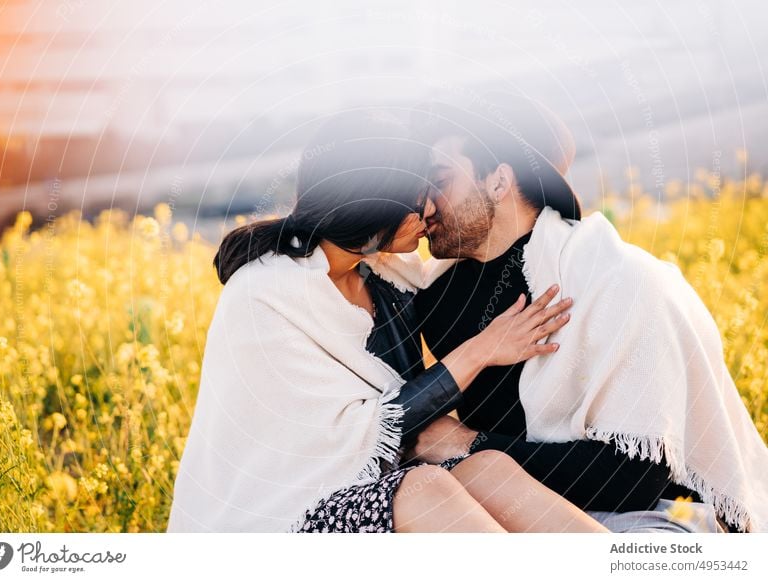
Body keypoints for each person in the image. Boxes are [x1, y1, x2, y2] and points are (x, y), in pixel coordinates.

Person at [166, 109, 609, 533]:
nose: (431, 211)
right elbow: (350, 435)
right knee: (424, 486)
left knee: (489, 467)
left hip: (373, 482)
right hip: (281, 514)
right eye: (418, 200)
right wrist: (482, 351)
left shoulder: (384, 275)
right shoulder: (264, 295)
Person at [391, 96, 768, 533]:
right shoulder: (436, 296)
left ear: (498, 181)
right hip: (517, 510)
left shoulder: (618, 281)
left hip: (654, 517)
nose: (425, 202)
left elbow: (633, 479)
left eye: (440, 180)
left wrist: (465, 443)